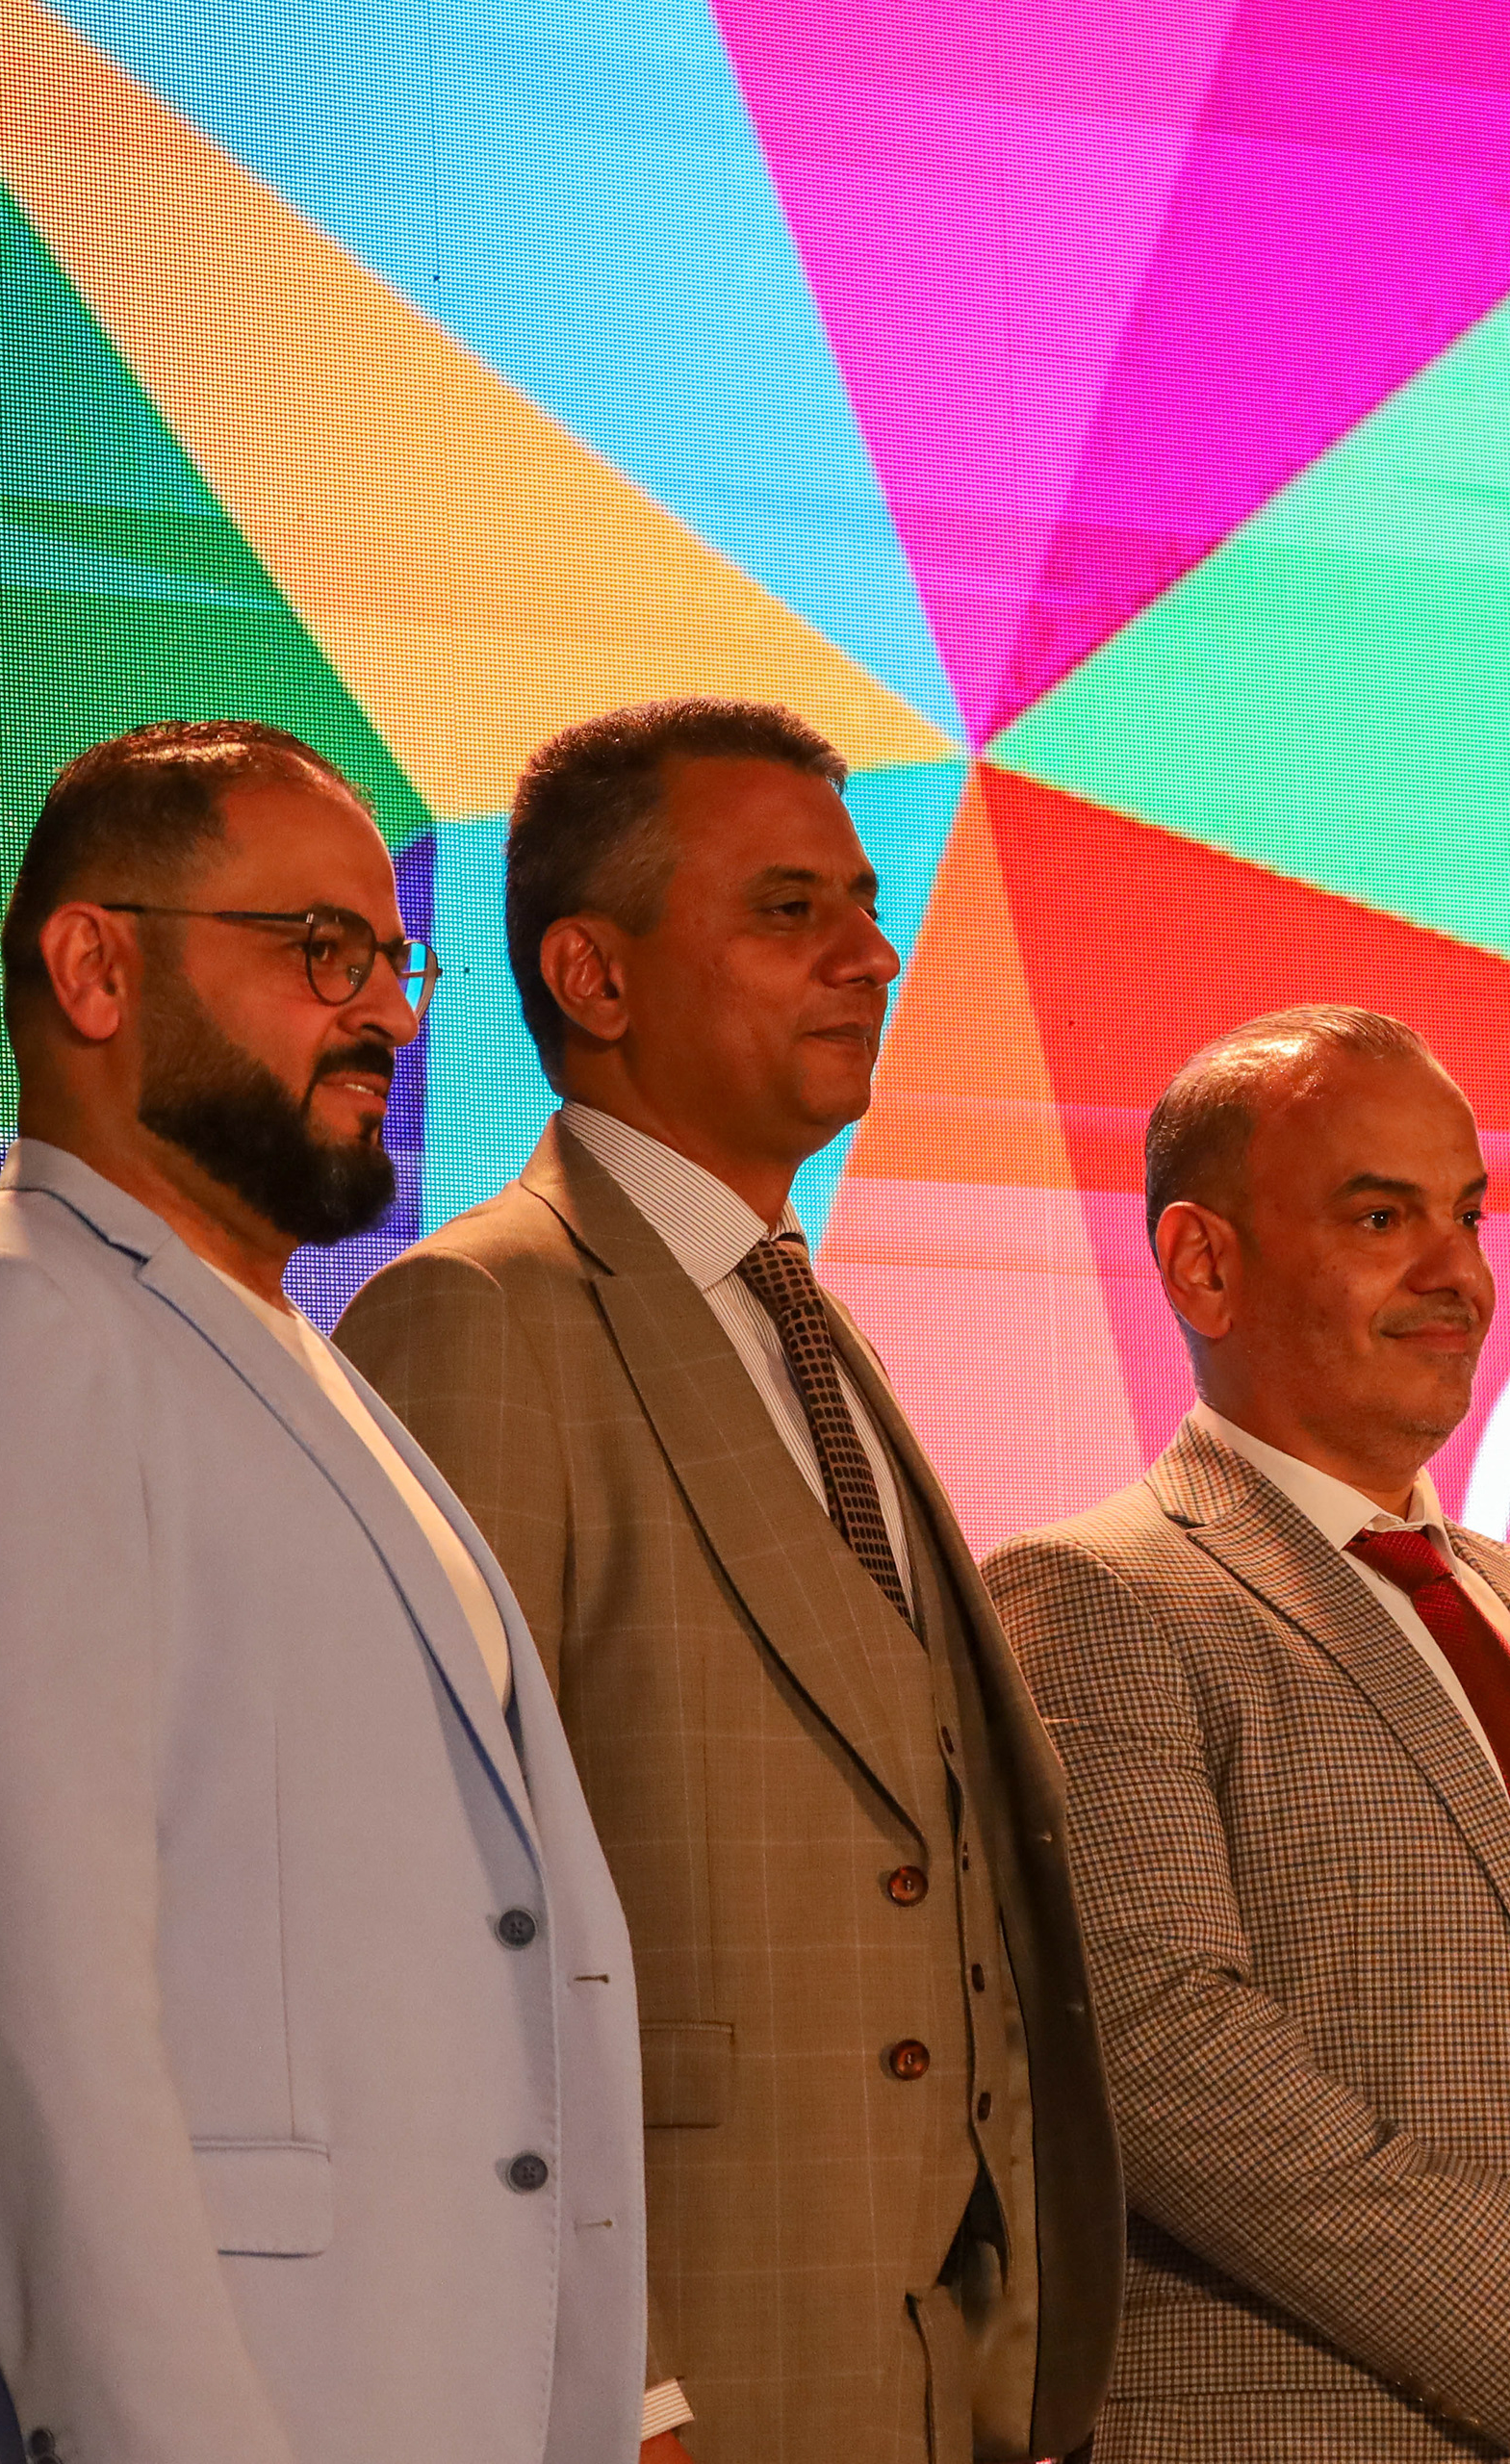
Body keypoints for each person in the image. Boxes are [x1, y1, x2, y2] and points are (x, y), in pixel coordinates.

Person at [332, 699, 1120, 2464]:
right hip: (686, 2386)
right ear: (594, 978)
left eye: (866, 902)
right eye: (788, 910)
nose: (872, 953)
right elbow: (418, 1918)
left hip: (939, 2390)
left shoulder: (815, 1333)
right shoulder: (476, 1317)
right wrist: (612, 2386)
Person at [983, 1006, 1510, 2463]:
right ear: (1204, 1264)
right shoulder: (1097, 1594)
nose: (1458, 1275)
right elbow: (1157, 2041)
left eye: (1469, 1215)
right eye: (1382, 1218)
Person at [0, 720, 644, 2462]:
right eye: (321, 951)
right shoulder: (28, 1329)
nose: (392, 1017)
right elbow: (32, 1999)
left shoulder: (293, 1352)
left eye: (395, 958)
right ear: (96, 967)